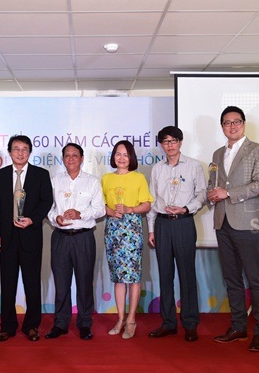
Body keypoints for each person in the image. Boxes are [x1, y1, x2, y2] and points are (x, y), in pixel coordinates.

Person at [207, 107, 259, 351]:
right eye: (227, 123)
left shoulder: (258, 150)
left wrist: (228, 193)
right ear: (222, 127)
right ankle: (238, 327)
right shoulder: (217, 153)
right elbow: (213, 183)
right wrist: (211, 194)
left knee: (255, 278)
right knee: (231, 278)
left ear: (243, 124)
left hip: (247, 223)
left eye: (236, 122)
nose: (232, 126)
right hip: (222, 221)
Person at [0, 135, 53, 342]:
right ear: (9, 152)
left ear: (29, 152)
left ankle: (32, 325)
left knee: (32, 283)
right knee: (8, 284)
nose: (20, 153)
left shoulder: (41, 174)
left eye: (25, 149)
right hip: (6, 238)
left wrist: (32, 219)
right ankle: (7, 326)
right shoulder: (0, 175)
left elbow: (47, 201)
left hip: (30, 236)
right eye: (16, 149)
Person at [146, 126, 205, 343]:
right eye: (165, 141)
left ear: (180, 142)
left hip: (183, 223)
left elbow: (202, 195)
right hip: (162, 225)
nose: (169, 145)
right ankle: (168, 322)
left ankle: (190, 323)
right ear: (161, 145)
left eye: (173, 141)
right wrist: (151, 229)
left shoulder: (194, 166)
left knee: (187, 275)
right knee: (165, 275)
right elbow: (152, 200)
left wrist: (185, 209)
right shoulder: (157, 169)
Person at [45, 143, 106, 341]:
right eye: (67, 155)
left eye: (75, 155)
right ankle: (60, 323)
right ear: (63, 159)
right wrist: (55, 218)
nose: (71, 159)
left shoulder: (92, 182)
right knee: (61, 283)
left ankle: (85, 323)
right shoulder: (55, 181)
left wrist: (81, 214)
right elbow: (48, 208)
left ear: (81, 158)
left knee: (85, 282)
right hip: (61, 238)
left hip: (83, 237)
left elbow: (100, 209)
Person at [101, 140, 153, 339]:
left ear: (131, 157)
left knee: (133, 277)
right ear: (113, 156)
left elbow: (147, 205)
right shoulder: (106, 178)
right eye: (118, 154)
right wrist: (111, 212)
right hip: (113, 229)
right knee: (118, 277)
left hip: (132, 228)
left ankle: (131, 320)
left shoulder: (138, 178)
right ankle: (120, 318)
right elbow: (99, 205)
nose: (121, 158)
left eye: (125, 154)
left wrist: (130, 209)